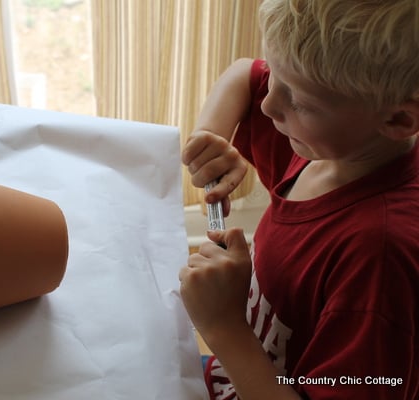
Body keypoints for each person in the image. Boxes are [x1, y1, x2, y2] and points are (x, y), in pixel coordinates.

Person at [178, 0, 419, 399]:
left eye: (301, 101)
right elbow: (243, 72)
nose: (269, 104)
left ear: (397, 120)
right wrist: (212, 137)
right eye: (276, 74)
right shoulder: (327, 142)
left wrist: (223, 326)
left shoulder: (381, 257)